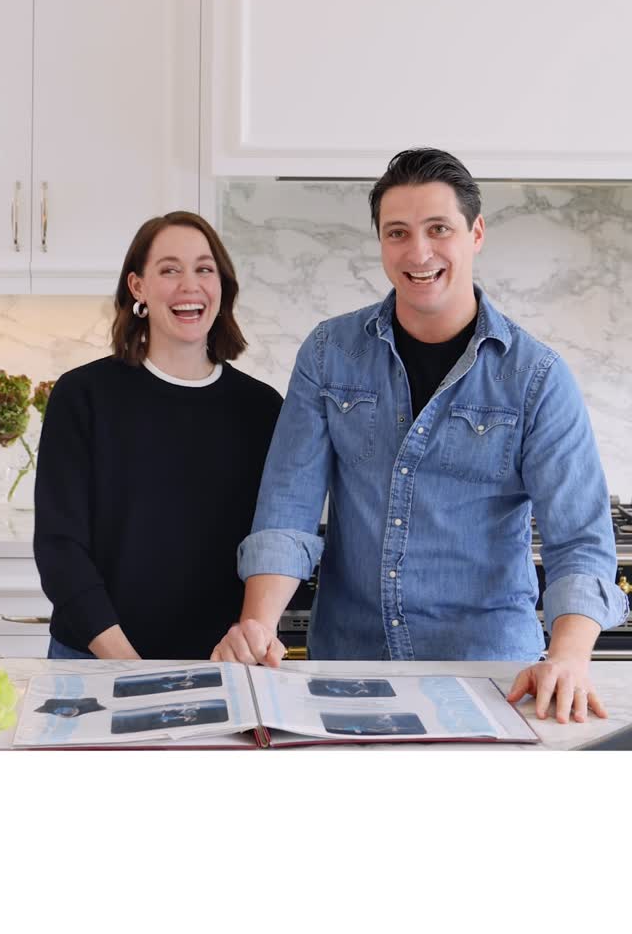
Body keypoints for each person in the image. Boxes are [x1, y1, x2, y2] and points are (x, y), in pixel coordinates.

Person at [212, 148, 629, 724]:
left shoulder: (536, 376)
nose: (418, 252)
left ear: (475, 233)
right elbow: (288, 509)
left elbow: (580, 541)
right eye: (398, 233)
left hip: (492, 679)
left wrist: (569, 657)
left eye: (439, 229)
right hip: (350, 671)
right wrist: (256, 626)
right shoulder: (329, 353)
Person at [34, 211, 282, 660]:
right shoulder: (83, 395)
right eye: (169, 270)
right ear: (138, 287)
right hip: (95, 659)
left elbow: (271, 541)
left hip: (217, 663)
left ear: (222, 286)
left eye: (204, 269)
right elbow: (60, 547)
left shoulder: (261, 408)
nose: (190, 286)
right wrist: (129, 667)